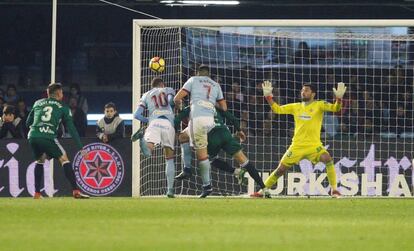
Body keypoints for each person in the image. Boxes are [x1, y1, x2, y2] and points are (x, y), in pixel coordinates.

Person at [252, 81, 346, 198]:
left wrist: (339, 98)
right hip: (297, 146)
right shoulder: (295, 106)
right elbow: (277, 109)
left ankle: (334, 190)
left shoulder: (320, 105)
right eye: (302, 90)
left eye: (306, 90)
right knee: (280, 170)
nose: (303, 92)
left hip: (313, 145)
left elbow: (335, 108)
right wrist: (268, 97)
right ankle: (262, 191)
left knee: (327, 158)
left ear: (313, 94)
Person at [174, 106, 270, 197]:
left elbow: (177, 119)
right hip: (225, 134)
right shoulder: (214, 107)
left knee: (207, 158)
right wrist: (239, 130)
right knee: (245, 161)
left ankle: (190, 170)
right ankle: (264, 189)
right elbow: (232, 118)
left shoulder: (193, 107)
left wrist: (174, 129)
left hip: (211, 136)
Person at [26, 83, 89, 199]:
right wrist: (81, 148)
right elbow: (72, 129)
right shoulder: (63, 107)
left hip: (33, 136)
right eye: (62, 93)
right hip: (48, 136)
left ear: (48, 93)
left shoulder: (37, 103)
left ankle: (37, 193)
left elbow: (27, 123)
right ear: (59, 93)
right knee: (64, 158)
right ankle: (75, 191)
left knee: (40, 160)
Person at [174, 65, 227, 198]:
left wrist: (179, 107)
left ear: (198, 73)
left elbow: (177, 98)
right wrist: (209, 103)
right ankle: (186, 169)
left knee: (202, 156)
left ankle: (207, 186)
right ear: (208, 74)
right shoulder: (216, 85)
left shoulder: (193, 80)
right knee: (183, 137)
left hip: (197, 119)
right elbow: (224, 108)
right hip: (210, 120)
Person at [131, 77, 176, 198]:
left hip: (153, 123)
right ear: (162, 84)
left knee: (147, 153)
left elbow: (136, 115)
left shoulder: (146, 95)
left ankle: (141, 138)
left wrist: (148, 120)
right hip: (168, 124)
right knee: (169, 158)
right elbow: (171, 101)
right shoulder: (169, 89)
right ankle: (170, 190)